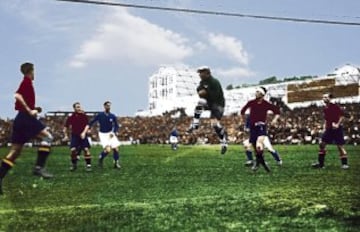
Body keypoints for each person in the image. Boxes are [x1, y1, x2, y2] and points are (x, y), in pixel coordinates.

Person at [0, 62, 54, 195]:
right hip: (25, 118)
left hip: (20, 119)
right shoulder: (27, 81)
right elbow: (17, 95)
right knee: (48, 137)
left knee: (15, 152)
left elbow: (21, 99)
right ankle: (39, 167)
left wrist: (35, 108)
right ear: (31, 71)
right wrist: (30, 110)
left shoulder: (27, 83)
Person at [187, 66, 228, 154]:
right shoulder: (203, 82)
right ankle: (195, 124)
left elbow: (214, 97)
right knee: (200, 102)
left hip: (218, 105)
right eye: (199, 73)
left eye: (202, 72)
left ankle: (224, 142)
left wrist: (205, 92)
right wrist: (201, 92)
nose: (200, 74)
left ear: (207, 73)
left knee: (214, 124)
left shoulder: (215, 82)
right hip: (210, 104)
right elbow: (199, 89)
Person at [240, 87, 280, 172]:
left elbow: (277, 111)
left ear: (262, 94)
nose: (256, 93)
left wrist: (274, 120)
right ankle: (260, 162)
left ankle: (260, 163)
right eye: (256, 91)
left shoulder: (266, 104)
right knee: (252, 148)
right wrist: (246, 122)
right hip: (252, 128)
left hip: (261, 127)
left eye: (258, 91)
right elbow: (242, 111)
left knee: (259, 145)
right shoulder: (251, 102)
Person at [312, 93, 349, 169]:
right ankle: (321, 164)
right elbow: (326, 120)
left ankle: (344, 164)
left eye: (326, 97)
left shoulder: (334, 106)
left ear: (330, 98)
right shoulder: (325, 108)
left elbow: (342, 116)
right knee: (322, 144)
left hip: (337, 129)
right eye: (323, 97)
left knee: (340, 147)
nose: (324, 98)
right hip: (329, 129)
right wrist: (324, 128)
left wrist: (337, 124)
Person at [86, 101, 121, 169]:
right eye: (107, 105)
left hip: (110, 133)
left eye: (110, 105)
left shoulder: (112, 116)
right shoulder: (100, 115)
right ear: (104, 106)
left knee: (116, 149)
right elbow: (92, 121)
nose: (109, 107)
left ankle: (116, 163)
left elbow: (116, 125)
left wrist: (114, 132)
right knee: (108, 150)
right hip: (103, 134)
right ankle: (101, 158)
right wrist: (89, 128)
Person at [63, 102, 92, 172]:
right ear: (74, 108)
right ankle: (74, 165)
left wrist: (84, 133)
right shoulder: (71, 117)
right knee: (73, 150)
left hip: (83, 136)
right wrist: (66, 136)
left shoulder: (84, 116)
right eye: (77, 107)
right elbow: (65, 127)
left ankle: (88, 165)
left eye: (79, 107)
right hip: (75, 136)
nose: (79, 108)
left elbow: (87, 125)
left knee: (86, 150)